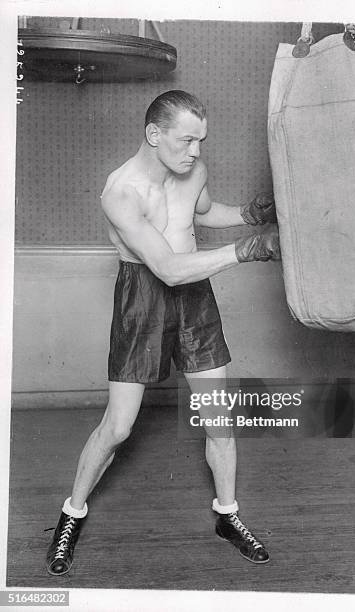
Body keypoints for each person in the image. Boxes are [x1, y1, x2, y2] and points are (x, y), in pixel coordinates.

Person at [46, 90, 280, 576]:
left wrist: (248, 216)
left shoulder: (192, 169)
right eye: (187, 139)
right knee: (119, 426)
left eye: (201, 140)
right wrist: (244, 251)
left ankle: (228, 516)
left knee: (220, 418)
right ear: (154, 135)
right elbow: (169, 269)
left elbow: (201, 212)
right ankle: (72, 513)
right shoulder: (121, 193)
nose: (196, 150)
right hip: (144, 297)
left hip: (196, 298)